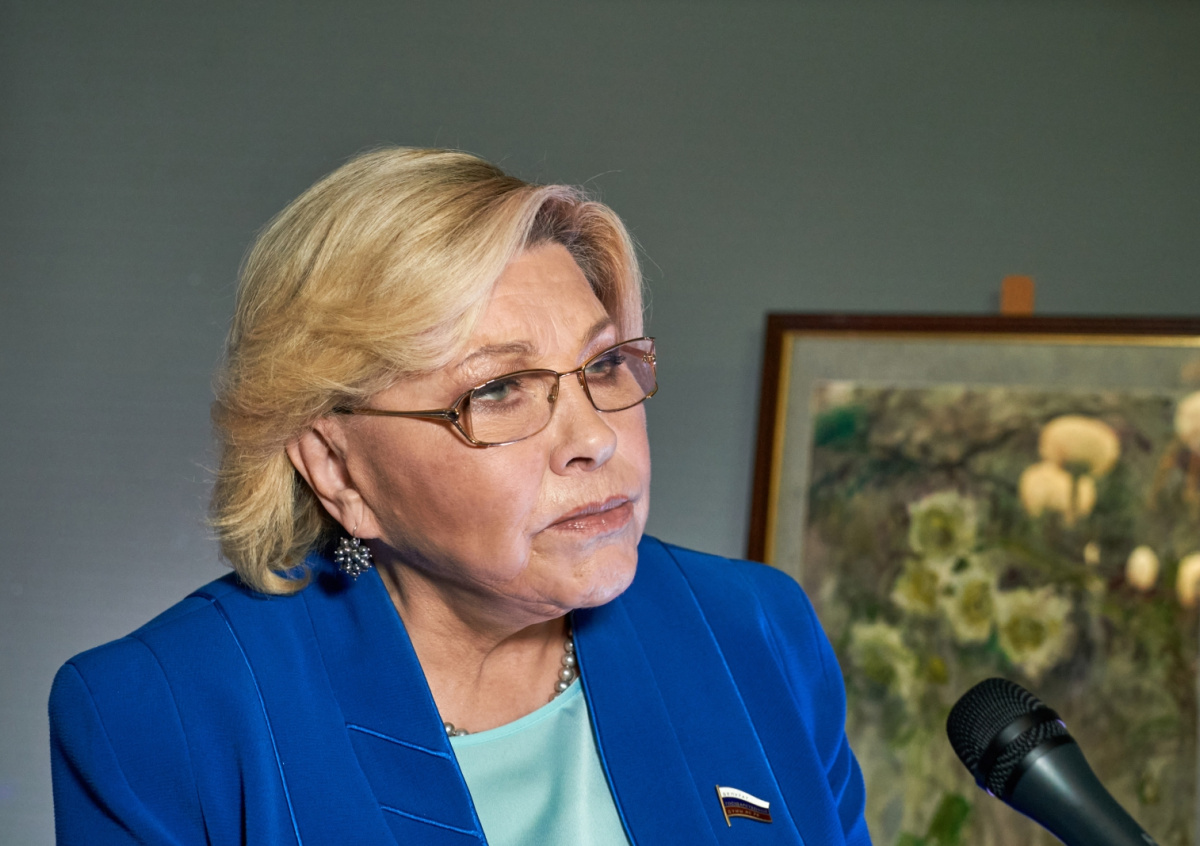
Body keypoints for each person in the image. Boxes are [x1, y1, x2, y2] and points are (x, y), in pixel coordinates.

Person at [49, 147, 870, 845]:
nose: (595, 437)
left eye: (604, 365)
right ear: (336, 468)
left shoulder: (757, 629)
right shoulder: (162, 714)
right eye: (500, 388)